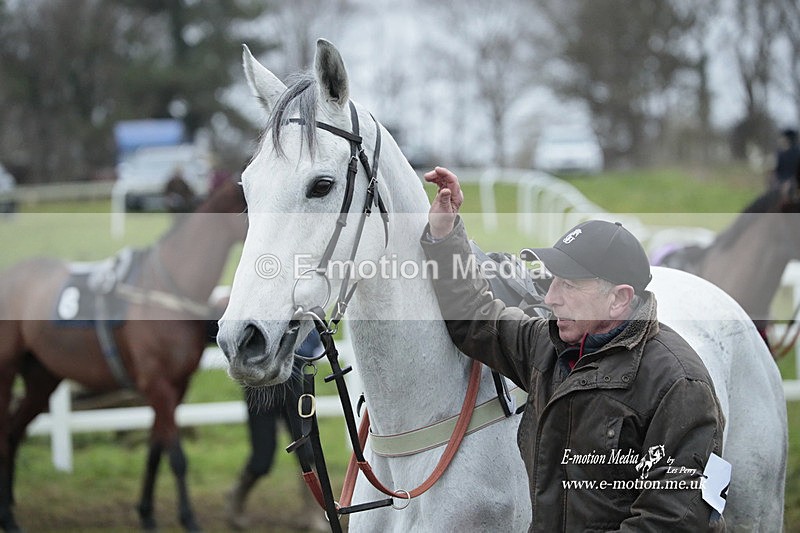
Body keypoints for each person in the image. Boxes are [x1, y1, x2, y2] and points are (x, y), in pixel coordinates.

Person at [420, 166, 725, 532]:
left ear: (618, 299)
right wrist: (444, 233)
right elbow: (474, 318)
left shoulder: (680, 384)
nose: (550, 298)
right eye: (552, 282)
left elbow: (677, 521)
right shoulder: (548, 345)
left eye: (568, 285)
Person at [771, 128, 800, 194]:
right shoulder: (781, 154)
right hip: (782, 185)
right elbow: (777, 171)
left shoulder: (795, 154)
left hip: (790, 186)